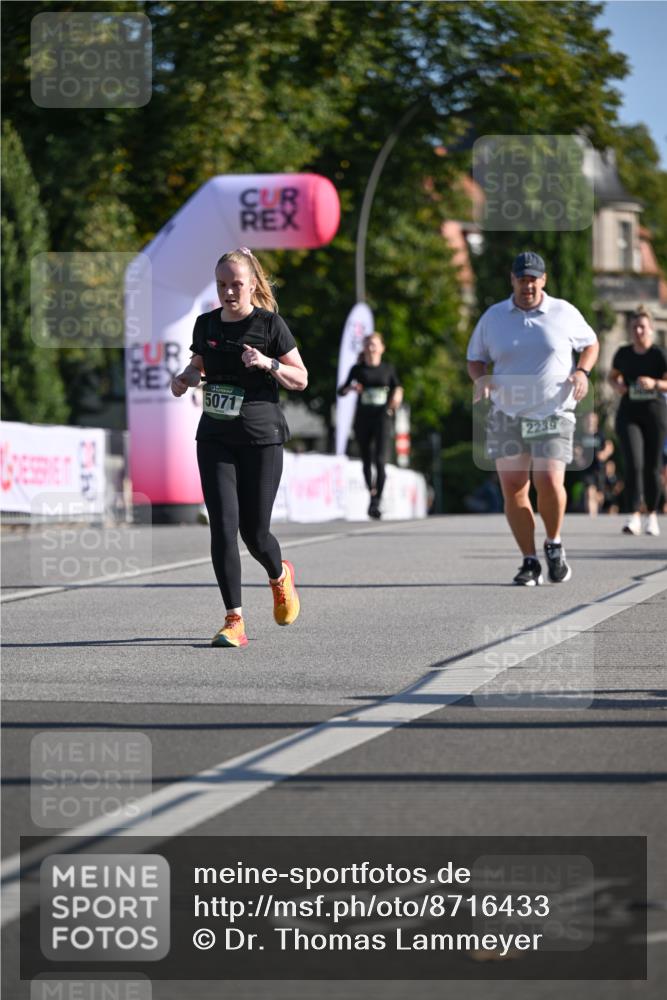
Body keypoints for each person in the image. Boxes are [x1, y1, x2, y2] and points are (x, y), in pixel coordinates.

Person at [170, 247, 307, 647]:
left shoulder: (270, 325)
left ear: (251, 285)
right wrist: (185, 378)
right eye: (222, 285)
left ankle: (279, 575)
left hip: (262, 438)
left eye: (236, 284)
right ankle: (234, 620)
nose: (229, 292)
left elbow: (301, 378)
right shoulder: (206, 324)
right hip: (216, 437)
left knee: (255, 533)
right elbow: (197, 365)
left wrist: (268, 363)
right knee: (223, 528)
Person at [467, 251, 599, 586]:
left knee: (549, 480)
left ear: (543, 280)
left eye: (533, 279)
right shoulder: (494, 317)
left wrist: (582, 372)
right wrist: (481, 379)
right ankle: (529, 560)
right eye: (522, 279)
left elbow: (591, 344)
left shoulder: (563, 312)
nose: (528, 285)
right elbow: (475, 358)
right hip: (507, 413)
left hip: (552, 412)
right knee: (514, 487)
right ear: (512, 280)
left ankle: (553, 543)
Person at [608, 305, 667, 536]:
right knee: (634, 462)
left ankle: (651, 514)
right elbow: (612, 376)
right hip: (629, 414)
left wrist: (655, 384)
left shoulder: (659, 354)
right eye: (634, 327)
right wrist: (618, 385)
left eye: (642, 327)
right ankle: (633, 515)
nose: (638, 331)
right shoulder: (623, 353)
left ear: (651, 329)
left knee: (652, 466)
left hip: (655, 414)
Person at [337, 332, 403, 519]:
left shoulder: (388, 369)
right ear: (364, 348)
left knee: (380, 460)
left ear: (382, 348)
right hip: (363, 418)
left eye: (374, 344)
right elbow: (341, 391)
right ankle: (371, 493)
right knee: (366, 459)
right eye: (368, 344)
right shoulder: (357, 369)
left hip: (382, 417)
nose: (371, 347)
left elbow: (398, 387)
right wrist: (351, 388)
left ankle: (376, 501)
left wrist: (397, 396)